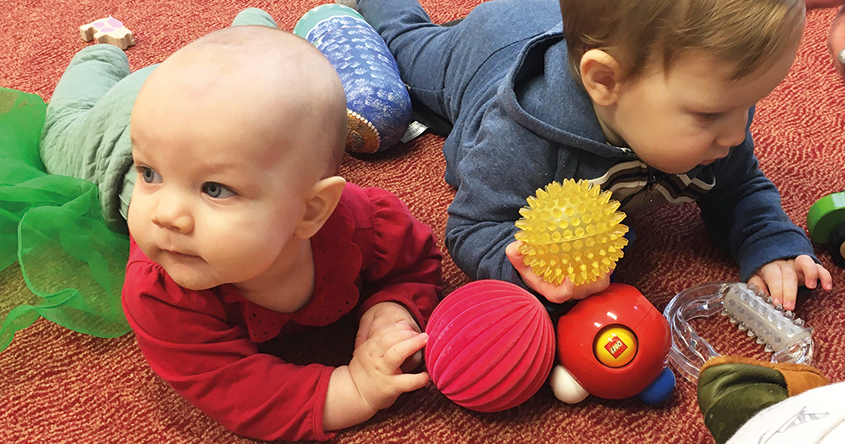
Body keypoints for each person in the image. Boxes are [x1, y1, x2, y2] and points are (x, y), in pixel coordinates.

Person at [41, 9, 442, 442]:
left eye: (214, 189)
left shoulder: (367, 224)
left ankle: (252, 26)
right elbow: (238, 391)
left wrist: (393, 310)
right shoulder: (162, 294)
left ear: (311, 210)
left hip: (203, 111)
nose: (165, 215)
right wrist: (353, 389)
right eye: (150, 176)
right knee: (61, 132)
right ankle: (99, 59)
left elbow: (415, 263)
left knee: (262, 70)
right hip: (109, 147)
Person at [350, 0, 834, 309]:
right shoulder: (522, 138)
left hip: (565, 23)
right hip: (488, 49)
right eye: (710, 114)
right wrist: (527, 271)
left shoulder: (718, 125)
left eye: (750, 103)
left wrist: (771, 242)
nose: (736, 132)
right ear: (605, 81)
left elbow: (740, 188)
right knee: (405, 46)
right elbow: (473, 227)